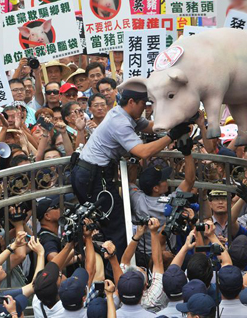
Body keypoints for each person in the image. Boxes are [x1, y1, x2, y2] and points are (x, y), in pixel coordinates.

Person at [71, 84, 190, 258]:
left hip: (91, 174)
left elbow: (151, 126)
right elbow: (143, 152)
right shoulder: (120, 122)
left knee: (105, 223)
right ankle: (119, 267)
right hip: (93, 177)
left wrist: (175, 123)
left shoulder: (124, 114)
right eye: (143, 104)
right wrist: (171, 136)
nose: (144, 108)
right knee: (117, 225)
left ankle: (107, 265)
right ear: (132, 102)